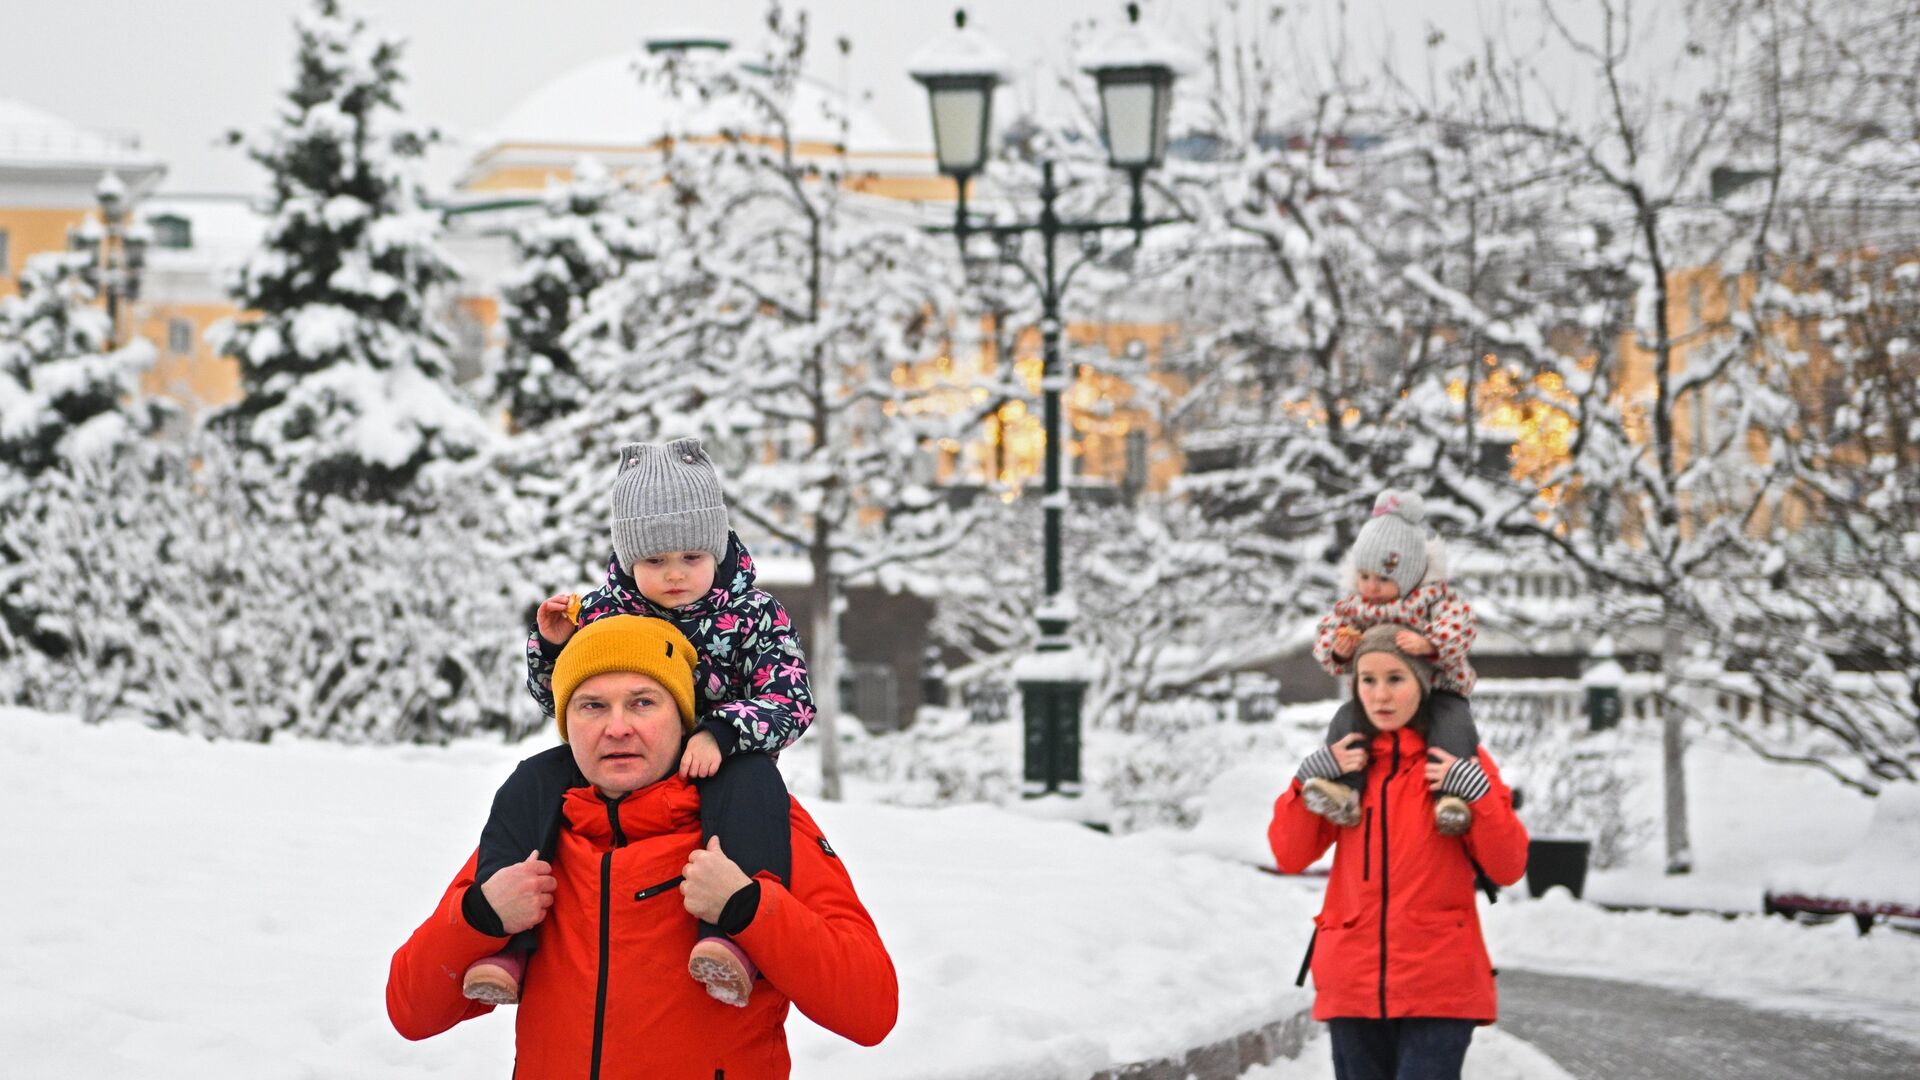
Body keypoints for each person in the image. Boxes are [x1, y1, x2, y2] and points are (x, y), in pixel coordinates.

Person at [387, 615, 897, 1078]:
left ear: (682, 717)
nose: (617, 727)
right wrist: (480, 916)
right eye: (592, 706)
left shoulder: (756, 823)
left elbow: (869, 1008)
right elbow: (411, 1012)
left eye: (642, 702)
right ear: (568, 725)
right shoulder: (536, 831)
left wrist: (749, 908)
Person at [463, 437, 815, 1008]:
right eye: (654, 561)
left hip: (723, 758)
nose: (675, 575)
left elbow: (792, 697)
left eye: (691, 559)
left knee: (753, 789)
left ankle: (730, 940)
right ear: (629, 559)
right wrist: (553, 650)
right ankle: (508, 939)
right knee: (533, 779)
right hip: (621, 755)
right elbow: (562, 703)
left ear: (717, 549)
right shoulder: (605, 611)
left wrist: (724, 732)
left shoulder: (755, 613)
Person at [1270, 624, 1528, 1080]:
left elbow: (1507, 866)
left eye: (1396, 678)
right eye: (1367, 679)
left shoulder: (1457, 761)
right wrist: (1308, 777)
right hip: (1352, 981)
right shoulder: (1346, 767)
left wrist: (1476, 794)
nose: (1380, 694)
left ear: (1424, 684)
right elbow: (1290, 854)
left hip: (1439, 982)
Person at [1307, 490, 1484, 836]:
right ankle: (1345, 790)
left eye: (1384, 578)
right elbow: (1327, 631)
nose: (1371, 587)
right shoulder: (1355, 608)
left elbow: (1461, 622)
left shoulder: (1431, 598)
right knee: (1346, 719)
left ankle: (1450, 798)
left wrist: (1430, 641)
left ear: (1409, 575)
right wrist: (1340, 650)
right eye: (1365, 576)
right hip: (1380, 698)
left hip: (1438, 690)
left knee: (1453, 725)